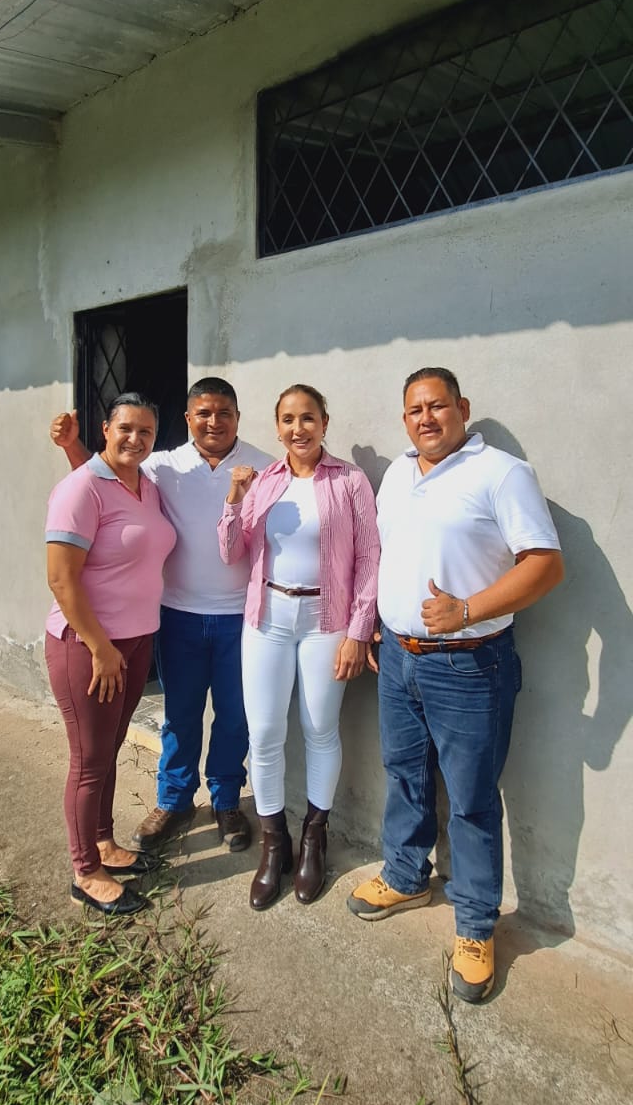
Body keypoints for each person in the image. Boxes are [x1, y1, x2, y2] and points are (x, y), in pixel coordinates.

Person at [347, 367, 564, 1003]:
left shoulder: (501, 472)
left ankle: (474, 924)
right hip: (400, 659)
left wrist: (467, 610)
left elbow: (546, 565)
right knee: (404, 774)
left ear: (462, 408)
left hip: (470, 665)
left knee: (471, 799)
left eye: (437, 406)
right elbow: (390, 554)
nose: (426, 418)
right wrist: (382, 622)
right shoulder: (397, 474)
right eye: (414, 410)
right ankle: (406, 876)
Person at [50, 378, 273, 853]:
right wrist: (72, 448)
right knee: (180, 715)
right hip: (177, 614)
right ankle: (173, 800)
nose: (214, 422)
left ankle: (226, 800)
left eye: (224, 413)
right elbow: (103, 479)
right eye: (203, 413)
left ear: (238, 417)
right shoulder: (162, 465)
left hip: (241, 616)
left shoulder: (265, 466)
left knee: (235, 716)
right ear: (188, 419)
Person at [218, 384, 380, 910]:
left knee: (319, 728)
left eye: (307, 418)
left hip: (325, 621)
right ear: (277, 427)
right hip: (267, 617)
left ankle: (314, 838)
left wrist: (358, 631)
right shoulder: (265, 481)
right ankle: (274, 844)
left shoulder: (349, 481)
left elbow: (369, 558)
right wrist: (234, 499)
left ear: (324, 422)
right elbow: (232, 552)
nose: (298, 429)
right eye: (287, 419)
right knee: (264, 732)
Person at [45, 393, 177, 915]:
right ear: (106, 429)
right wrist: (99, 647)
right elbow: (61, 578)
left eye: (146, 431)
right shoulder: (79, 488)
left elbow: (117, 509)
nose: (135, 439)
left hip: (137, 641)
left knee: (110, 748)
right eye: (125, 428)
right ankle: (85, 871)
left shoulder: (144, 485)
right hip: (88, 646)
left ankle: (103, 842)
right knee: (89, 761)